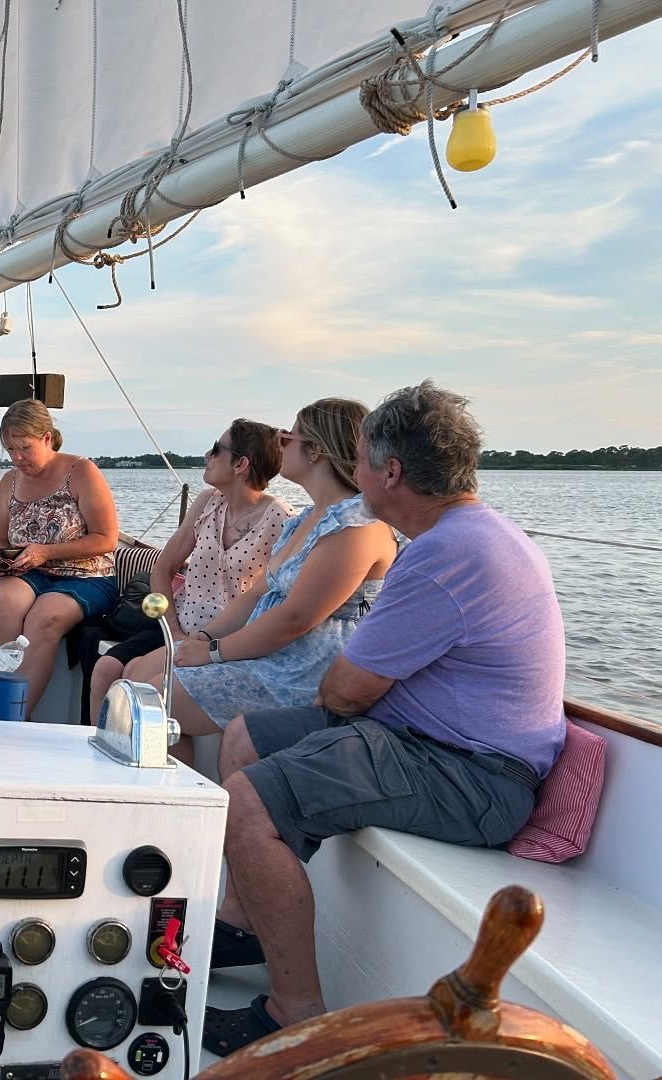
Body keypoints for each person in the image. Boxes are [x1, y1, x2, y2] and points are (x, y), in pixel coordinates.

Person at [203, 382, 566, 1056]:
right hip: (427, 742)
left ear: (391, 472)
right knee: (245, 734)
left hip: (470, 775)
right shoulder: (468, 533)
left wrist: (341, 699)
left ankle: (292, 1013)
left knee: (247, 800)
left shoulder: (445, 553)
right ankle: (241, 921)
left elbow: (346, 691)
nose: (356, 472)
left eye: (363, 460)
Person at [153, 399, 397, 765]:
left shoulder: (356, 526)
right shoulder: (306, 521)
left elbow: (296, 618)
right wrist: (203, 638)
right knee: (141, 692)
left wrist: (214, 652)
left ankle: (188, 813)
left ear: (315, 451)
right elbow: (258, 594)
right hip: (271, 657)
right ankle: (182, 806)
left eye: (287, 438)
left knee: (150, 701)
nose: (278, 444)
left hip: (303, 672)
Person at [88, 419, 293, 723]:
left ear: (241, 464)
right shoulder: (208, 502)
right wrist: (173, 628)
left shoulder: (280, 518)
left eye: (216, 450)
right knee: (105, 669)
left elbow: (279, 595)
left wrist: (200, 641)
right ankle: (98, 760)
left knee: (133, 680)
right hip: (178, 625)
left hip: (225, 638)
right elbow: (163, 567)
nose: (207, 456)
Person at [0, 400, 119, 721]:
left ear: (47, 438)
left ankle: (11, 719)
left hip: (87, 575)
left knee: (44, 617)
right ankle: (9, 705)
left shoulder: (81, 472)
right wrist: (3, 556)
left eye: (25, 447)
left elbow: (106, 538)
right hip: (30, 572)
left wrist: (46, 552)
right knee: (1, 603)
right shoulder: (9, 482)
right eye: (10, 449)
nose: (17, 457)